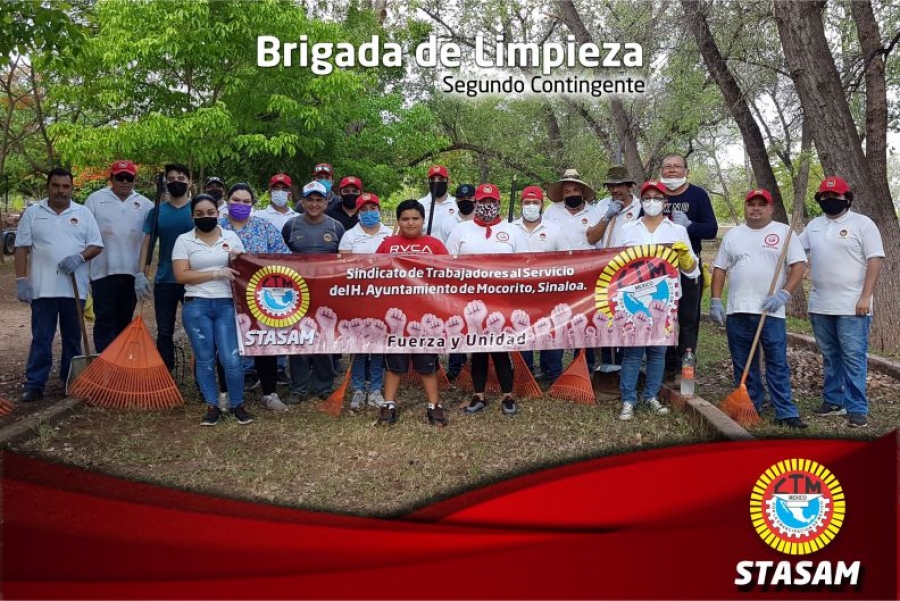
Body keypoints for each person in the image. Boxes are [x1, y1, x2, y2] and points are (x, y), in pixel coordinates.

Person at [710, 189, 808, 429]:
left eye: (760, 205)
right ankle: (751, 403)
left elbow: (798, 266)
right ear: (745, 207)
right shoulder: (733, 235)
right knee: (743, 361)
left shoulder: (784, 233)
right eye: (751, 204)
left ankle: (785, 410)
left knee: (777, 361)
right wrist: (715, 300)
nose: (755, 209)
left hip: (771, 311)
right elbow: (720, 268)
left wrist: (784, 293)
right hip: (738, 310)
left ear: (770, 208)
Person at [800, 176, 884, 428]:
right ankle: (833, 400)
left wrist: (866, 296)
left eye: (835, 197)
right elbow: (794, 251)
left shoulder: (862, 224)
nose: (829, 201)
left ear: (846, 198)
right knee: (829, 355)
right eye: (824, 197)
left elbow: (875, 260)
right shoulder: (813, 226)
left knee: (853, 356)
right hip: (820, 304)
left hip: (853, 304)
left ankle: (857, 407)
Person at [15, 167, 104, 402]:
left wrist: (80, 257)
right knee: (41, 337)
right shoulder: (33, 213)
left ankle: (71, 380)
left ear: (72, 188)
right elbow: (22, 247)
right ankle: (35, 383)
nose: (61, 191)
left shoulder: (83, 213)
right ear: (48, 186)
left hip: (74, 289)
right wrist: (21, 279)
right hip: (42, 289)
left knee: (72, 337)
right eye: (56, 185)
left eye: (66, 187)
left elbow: (97, 244)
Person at [612, 180, 698, 421]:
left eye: (657, 198)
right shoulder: (629, 229)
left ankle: (651, 396)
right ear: (642, 201)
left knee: (657, 351)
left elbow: (692, 271)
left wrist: (684, 258)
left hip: (665, 299)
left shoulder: (677, 231)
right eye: (647, 198)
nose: (652, 202)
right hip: (633, 298)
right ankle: (628, 399)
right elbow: (616, 264)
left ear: (665, 202)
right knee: (632, 352)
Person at [446, 183, 529, 417]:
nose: (487, 207)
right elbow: (446, 264)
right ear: (476, 204)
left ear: (499, 204)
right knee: (478, 349)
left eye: (491, 203)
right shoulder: (461, 230)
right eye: (482, 202)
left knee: (501, 348)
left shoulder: (512, 231)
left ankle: (508, 396)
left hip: (503, 300)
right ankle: (478, 394)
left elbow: (525, 264)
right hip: (470, 300)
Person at [172, 194, 251, 426]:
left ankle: (237, 404)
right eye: (199, 214)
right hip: (196, 304)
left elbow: (243, 269)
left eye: (210, 213)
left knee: (231, 358)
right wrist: (215, 273)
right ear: (192, 216)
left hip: (226, 303)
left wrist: (239, 260)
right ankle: (212, 405)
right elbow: (181, 275)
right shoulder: (184, 241)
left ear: (218, 214)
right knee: (205, 359)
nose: (205, 217)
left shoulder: (231, 237)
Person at [375, 199, 450, 426]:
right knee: (394, 363)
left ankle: (434, 405)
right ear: (398, 221)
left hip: (425, 315)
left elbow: (449, 274)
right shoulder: (388, 244)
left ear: (423, 220)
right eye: (405, 219)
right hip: (396, 315)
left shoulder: (434, 245)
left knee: (427, 363)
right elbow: (374, 272)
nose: (410, 223)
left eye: (415, 218)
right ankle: (389, 405)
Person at [218, 183, 291, 412]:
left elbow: (284, 256)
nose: (240, 205)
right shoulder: (218, 228)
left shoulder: (264, 227)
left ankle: (269, 393)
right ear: (227, 201)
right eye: (236, 200)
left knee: (263, 343)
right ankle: (226, 393)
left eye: (246, 201)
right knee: (226, 345)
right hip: (224, 295)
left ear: (253, 204)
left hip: (260, 296)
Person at [282, 181, 345, 402]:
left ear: (327, 202)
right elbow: (280, 257)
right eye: (310, 199)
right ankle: (298, 387)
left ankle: (324, 385)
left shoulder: (336, 227)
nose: (314, 204)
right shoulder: (291, 226)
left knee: (323, 337)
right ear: (302, 202)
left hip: (326, 291)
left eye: (319, 199)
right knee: (297, 337)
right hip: (296, 292)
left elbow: (343, 260)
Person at [658, 153, 718, 378]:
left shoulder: (698, 195)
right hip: (659, 267)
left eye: (677, 166)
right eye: (667, 166)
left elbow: (711, 229)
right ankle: (664, 364)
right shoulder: (654, 195)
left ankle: (686, 363)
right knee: (661, 313)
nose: (672, 170)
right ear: (661, 171)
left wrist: (690, 226)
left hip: (689, 264)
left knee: (688, 316)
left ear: (686, 171)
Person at [84, 160, 153, 353]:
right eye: (119, 177)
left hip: (132, 273)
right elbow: (85, 234)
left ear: (134, 179)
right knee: (105, 319)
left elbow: (150, 239)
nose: (124, 181)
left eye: (128, 178)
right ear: (111, 179)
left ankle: (121, 361)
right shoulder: (95, 200)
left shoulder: (146, 204)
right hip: (102, 271)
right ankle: (103, 362)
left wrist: (143, 273)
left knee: (124, 320)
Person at [137, 163, 195, 371]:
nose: (176, 182)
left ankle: (202, 375)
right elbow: (147, 243)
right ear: (165, 183)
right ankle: (165, 373)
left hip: (193, 281)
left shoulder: (198, 209)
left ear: (190, 182)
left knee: (198, 329)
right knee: (164, 331)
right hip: (165, 280)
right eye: (171, 179)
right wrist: (140, 273)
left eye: (181, 178)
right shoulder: (157, 212)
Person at [338, 192, 392, 411]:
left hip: (384, 297)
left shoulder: (390, 235)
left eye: (373, 209)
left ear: (379, 210)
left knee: (379, 344)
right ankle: (359, 388)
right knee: (359, 345)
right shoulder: (350, 236)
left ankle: (377, 389)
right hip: (357, 297)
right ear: (358, 213)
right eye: (364, 210)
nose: (369, 213)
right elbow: (343, 266)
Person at [544, 168, 601, 369]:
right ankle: (552, 368)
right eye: (567, 192)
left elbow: (599, 243)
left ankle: (585, 365)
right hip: (558, 274)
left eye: (575, 190)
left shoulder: (594, 212)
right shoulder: (551, 211)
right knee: (555, 319)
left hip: (587, 273)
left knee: (585, 318)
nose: (572, 195)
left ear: (583, 192)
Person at [587, 165, 641, 373]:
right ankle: (607, 364)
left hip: (631, 272)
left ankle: (628, 364)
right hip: (605, 272)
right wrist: (607, 217)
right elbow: (591, 237)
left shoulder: (640, 207)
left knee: (629, 315)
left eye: (619, 186)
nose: (615, 190)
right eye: (611, 186)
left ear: (629, 186)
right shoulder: (602, 206)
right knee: (607, 315)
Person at [512, 185, 564, 383]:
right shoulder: (510, 228)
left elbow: (566, 259)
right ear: (521, 205)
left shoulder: (555, 229)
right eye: (527, 203)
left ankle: (552, 374)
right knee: (522, 330)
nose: (531, 206)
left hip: (548, 290)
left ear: (542, 205)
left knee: (550, 330)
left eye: (535, 203)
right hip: (519, 291)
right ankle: (525, 373)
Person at [438, 183, 476, 380]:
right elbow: (447, 251)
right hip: (456, 280)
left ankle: (477, 364)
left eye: (469, 198)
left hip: (478, 281)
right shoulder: (448, 222)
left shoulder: (481, 220)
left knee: (477, 321)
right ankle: (455, 365)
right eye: (461, 199)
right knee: (456, 322)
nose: (465, 202)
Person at [419, 165, 456, 237]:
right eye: (432, 179)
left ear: (448, 182)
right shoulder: (419, 205)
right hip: (426, 247)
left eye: (441, 179)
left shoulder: (457, 204)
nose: (436, 182)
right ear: (428, 183)